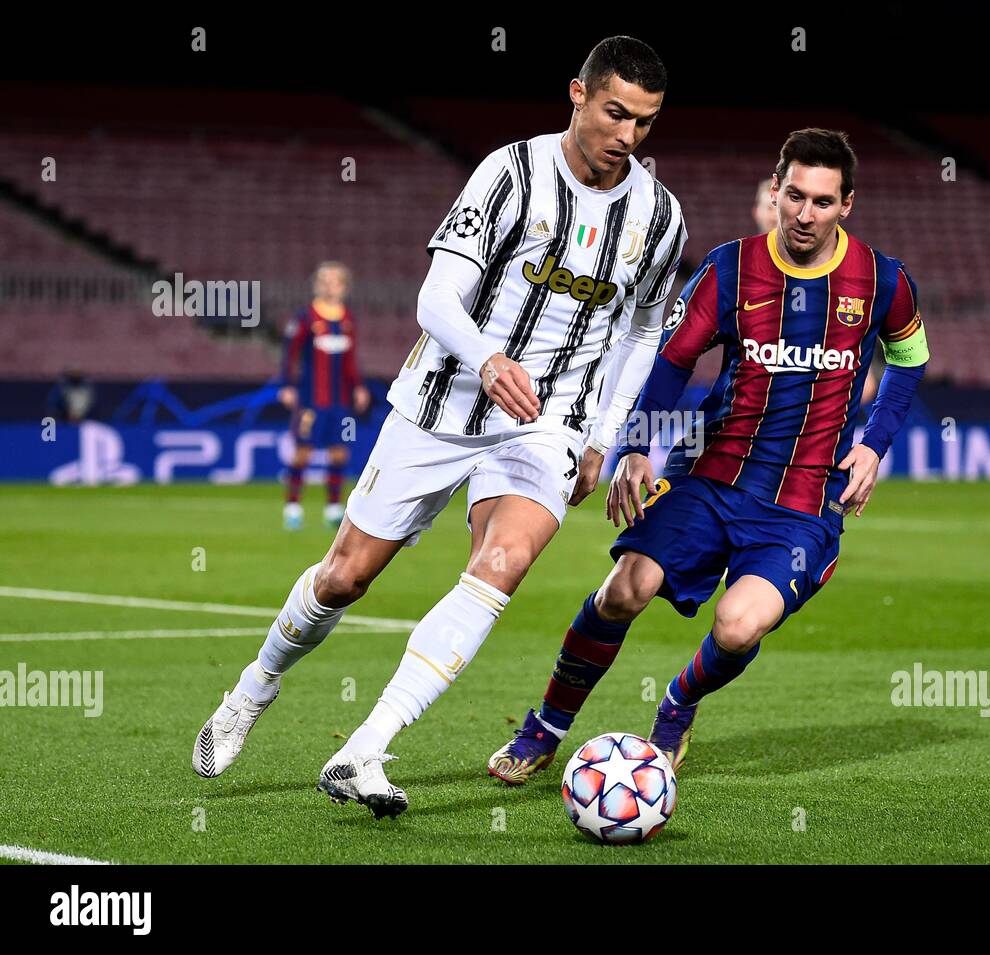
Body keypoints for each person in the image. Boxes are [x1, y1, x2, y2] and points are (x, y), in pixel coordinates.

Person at [192, 36, 686, 821]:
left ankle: (365, 748)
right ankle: (254, 686)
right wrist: (490, 359)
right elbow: (435, 300)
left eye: (646, 123)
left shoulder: (658, 216)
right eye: (616, 113)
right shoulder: (510, 173)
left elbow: (639, 334)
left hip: (547, 421)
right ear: (578, 95)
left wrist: (602, 436)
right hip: (444, 400)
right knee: (344, 576)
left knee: (503, 561)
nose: (627, 136)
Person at [488, 128, 929, 784]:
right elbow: (672, 361)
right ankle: (545, 728)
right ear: (775, 191)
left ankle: (677, 706)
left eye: (823, 202)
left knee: (736, 626)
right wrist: (637, 445)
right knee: (624, 588)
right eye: (795, 196)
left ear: (847, 205)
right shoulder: (730, 268)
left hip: (803, 500)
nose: (805, 214)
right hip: (707, 470)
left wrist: (873, 442)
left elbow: (909, 357)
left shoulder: (881, 280)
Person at [278, 262, 370, 529]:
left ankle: (333, 508)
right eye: (325, 280)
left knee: (339, 453)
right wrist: (287, 385)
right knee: (303, 452)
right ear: (317, 284)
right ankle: (292, 507)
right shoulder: (305, 317)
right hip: (311, 400)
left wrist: (359, 386)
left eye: (336, 280)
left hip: (340, 401)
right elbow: (290, 354)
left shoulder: (348, 319)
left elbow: (351, 359)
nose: (330, 285)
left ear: (344, 286)